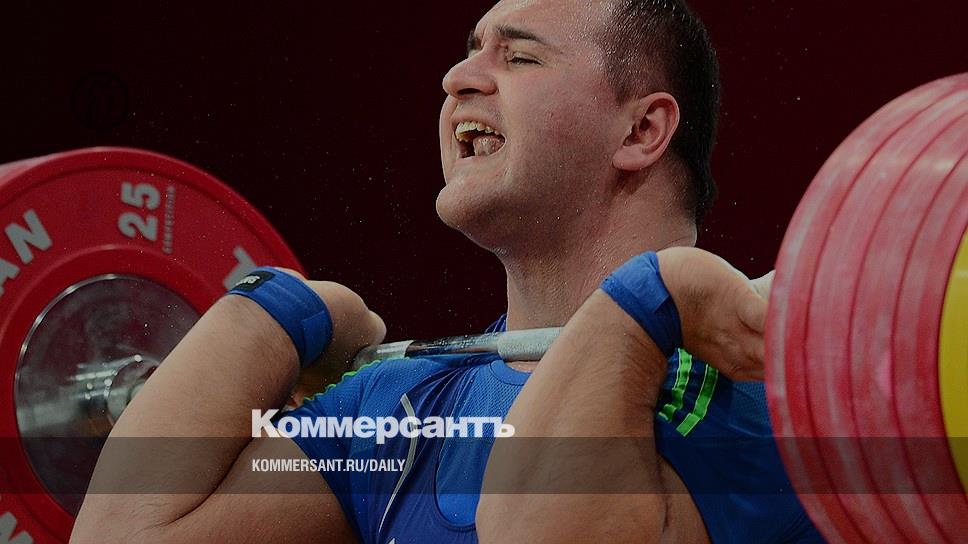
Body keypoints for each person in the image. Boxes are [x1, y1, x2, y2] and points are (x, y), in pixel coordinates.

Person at [72, 0, 823, 542]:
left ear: (642, 128)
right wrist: (282, 312)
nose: (457, 76)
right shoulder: (403, 407)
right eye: (471, 51)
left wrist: (652, 296)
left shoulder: (778, 400)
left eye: (519, 57)